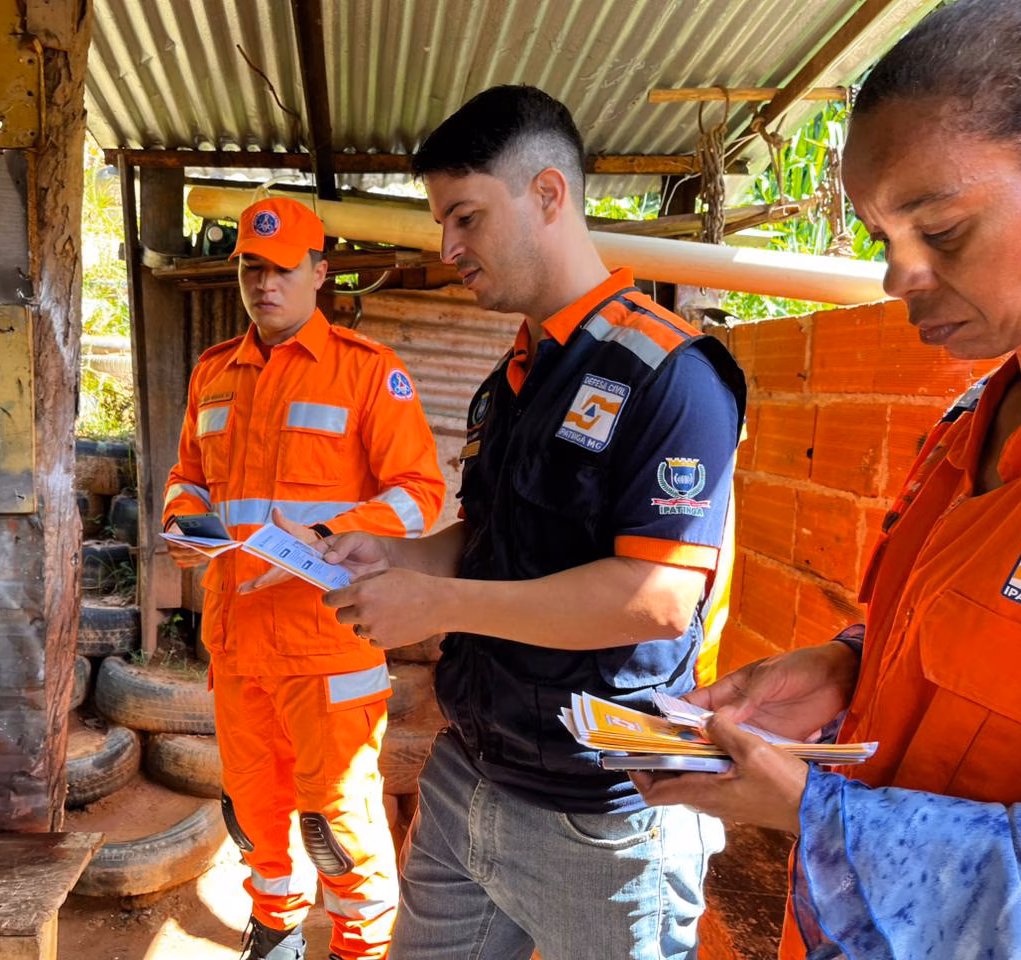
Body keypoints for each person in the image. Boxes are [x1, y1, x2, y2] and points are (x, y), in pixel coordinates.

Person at [634, 1, 1021, 957]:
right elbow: (971, 643)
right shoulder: (971, 419)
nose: (895, 278)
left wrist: (817, 811)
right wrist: (850, 665)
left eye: (942, 230)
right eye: (882, 238)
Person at [310, 85, 747, 960]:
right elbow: (490, 540)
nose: (448, 248)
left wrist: (440, 606)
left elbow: (657, 599)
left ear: (548, 194)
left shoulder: (670, 374)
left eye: (465, 217)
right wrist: (399, 555)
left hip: (603, 815)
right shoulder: (512, 379)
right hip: (469, 772)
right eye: (442, 222)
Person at [162, 196, 446, 960]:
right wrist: (186, 524)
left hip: (328, 646)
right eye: (252, 268)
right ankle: (276, 929)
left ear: (320, 273)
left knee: (337, 821)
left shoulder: (366, 373)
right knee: (253, 810)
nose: (265, 283)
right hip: (237, 645)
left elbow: (420, 493)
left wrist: (331, 533)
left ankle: (360, 945)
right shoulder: (213, 374)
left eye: (283, 268)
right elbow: (188, 477)